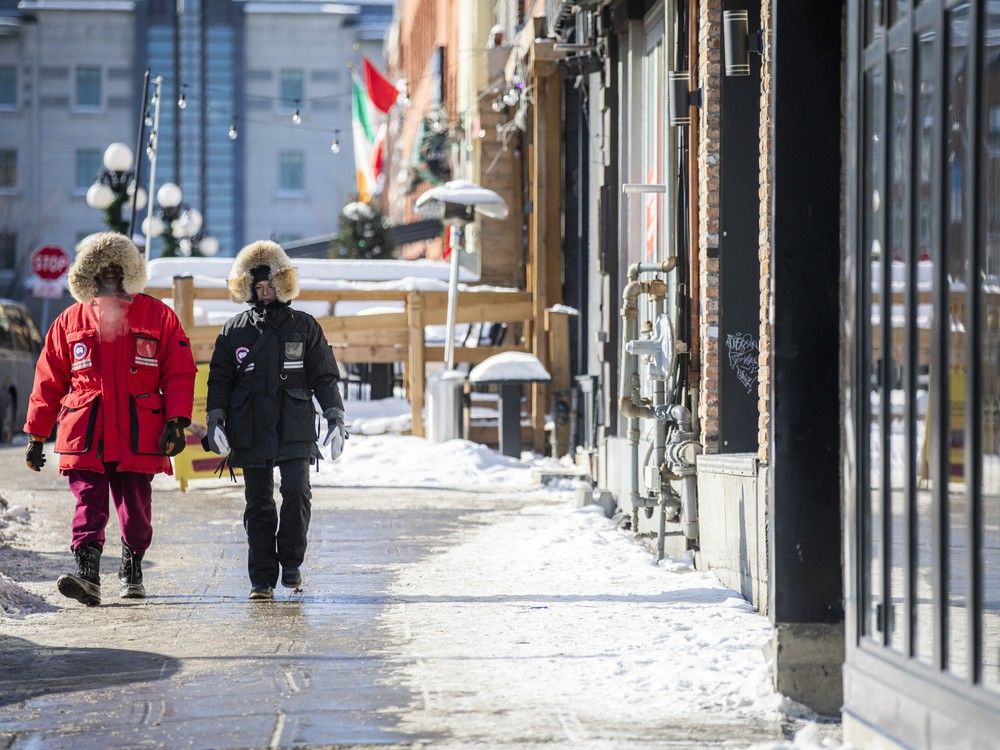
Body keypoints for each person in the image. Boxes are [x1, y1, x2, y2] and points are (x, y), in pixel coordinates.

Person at [23, 232, 197, 606]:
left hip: (139, 432)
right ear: (90, 274)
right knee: (89, 501)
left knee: (136, 511)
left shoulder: (158, 315)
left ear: (130, 273)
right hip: (88, 430)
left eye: (118, 271)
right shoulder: (70, 320)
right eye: (103, 271)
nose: (111, 278)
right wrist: (37, 434)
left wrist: (177, 420)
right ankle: (87, 574)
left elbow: (179, 371)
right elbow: (49, 379)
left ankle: (131, 563)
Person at [205, 240, 347, 600]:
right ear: (247, 287)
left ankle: (293, 562)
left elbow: (324, 377)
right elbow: (219, 379)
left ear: (283, 284)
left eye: (270, 285)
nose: (264, 292)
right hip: (250, 427)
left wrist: (335, 416)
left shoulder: (304, 326)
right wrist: (215, 419)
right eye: (258, 286)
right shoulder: (233, 331)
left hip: (295, 423)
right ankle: (262, 578)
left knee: (297, 491)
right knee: (258, 503)